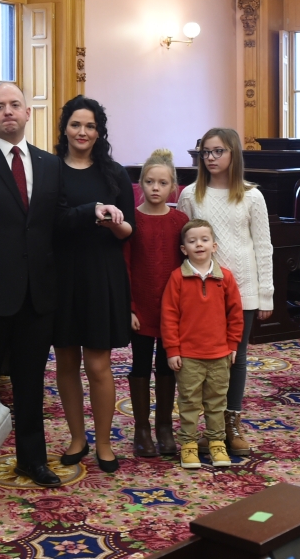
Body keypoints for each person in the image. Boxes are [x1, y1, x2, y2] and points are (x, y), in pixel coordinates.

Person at [0, 85, 122, 502]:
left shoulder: (48, 164)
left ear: (28, 113)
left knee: (32, 383)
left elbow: (55, 220)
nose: (8, 112)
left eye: (15, 105)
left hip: (37, 294)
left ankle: (32, 460)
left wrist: (92, 211)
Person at [177, 127, 273, 456]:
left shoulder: (251, 195)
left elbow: (263, 246)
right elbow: (182, 244)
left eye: (218, 151)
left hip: (242, 287)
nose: (211, 158)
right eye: (206, 152)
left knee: (236, 358)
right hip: (201, 291)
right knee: (199, 361)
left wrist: (266, 293)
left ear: (233, 153)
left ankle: (231, 424)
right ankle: (202, 427)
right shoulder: (191, 194)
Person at [52, 96, 134, 473]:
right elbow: (49, 224)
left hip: (102, 272)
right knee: (66, 361)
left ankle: (103, 442)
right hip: (62, 271)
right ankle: (76, 437)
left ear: (99, 132)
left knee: (99, 363)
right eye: (76, 124)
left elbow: (129, 230)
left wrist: (115, 224)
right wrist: (89, 214)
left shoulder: (114, 173)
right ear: (65, 128)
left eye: (90, 126)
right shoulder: (50, 170)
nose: (82, 132)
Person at [161, 219, 243, 469]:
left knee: (217, 401)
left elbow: (236, 315)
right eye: (192, 240)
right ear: (184, 249)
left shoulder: (225, 278)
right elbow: (169, 315)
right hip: (188, 357)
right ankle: (188, 444)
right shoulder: (177, 278)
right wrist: (173, 350)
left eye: (204, 240)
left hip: (219, 355)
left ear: (214, 246)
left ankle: (216, 442)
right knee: (188, 401)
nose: (199, 244)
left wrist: (232, 345)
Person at [123, 148, 188, 458]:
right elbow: (124, 265)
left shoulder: (180, 221)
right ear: (141, 184)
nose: (156, 188)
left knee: (166, 366)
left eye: (162, 183)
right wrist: (129, 306)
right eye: (150, 182)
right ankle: (142, 429)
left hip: (171, 310)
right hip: (141, 307)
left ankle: (164, 427)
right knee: (139, 365)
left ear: (172, 186)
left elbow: (186, 267)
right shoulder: (132, 220)